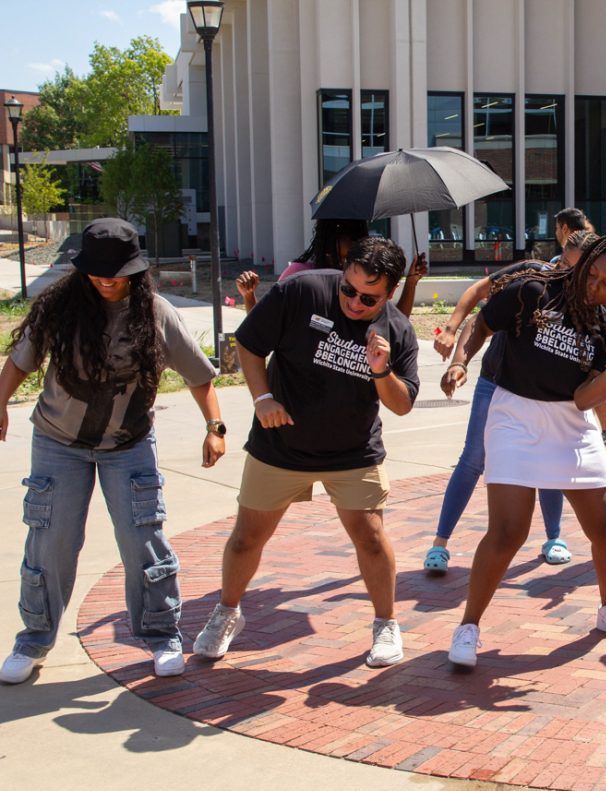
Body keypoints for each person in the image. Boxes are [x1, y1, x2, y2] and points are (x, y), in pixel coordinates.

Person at [0, 218, 226, 684]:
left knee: (142, 538)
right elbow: (20, 360)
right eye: (98, 271)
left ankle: (162, 636)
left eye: (117, 272)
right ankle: (33, 640)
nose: (106, 279)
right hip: (59, 443)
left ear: (136, 270)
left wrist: (215, 426)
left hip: (128, 443)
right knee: (51, 541)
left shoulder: (155, 312)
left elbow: (198, 374)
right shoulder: (59, 307)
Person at [193, 237, 420, 668]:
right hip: (281, 446)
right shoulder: (302, 291)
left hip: (354, 452)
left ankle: (386, 624)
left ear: (389, 293)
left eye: (367, 297)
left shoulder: (398, 330)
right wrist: (262, 400)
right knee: (246, 539)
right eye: (348, 290)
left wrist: (381, 370)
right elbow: (250, 343)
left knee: (371, 539)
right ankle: (226, 612)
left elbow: (402, 404)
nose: (353, 302)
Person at [446, 234, 606, 667]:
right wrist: (461, 360)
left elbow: (587, 399)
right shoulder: (534, 291)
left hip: (572, 424)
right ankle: (468, 626)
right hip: (516, 416)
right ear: (582, 263)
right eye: (593, 275)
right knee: (508, 532)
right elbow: (482, 324)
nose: (595, 287)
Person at [423, 232, 600, 576]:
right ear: (561, 256)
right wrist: (455, 347)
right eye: (570, 266)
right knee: (474, 458)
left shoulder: (592, 296)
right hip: (498, 381)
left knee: (550, 460)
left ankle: (553, 538)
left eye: (585, 270)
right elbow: (479, 306)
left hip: (550, 392)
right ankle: (440, 544)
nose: (575, 276)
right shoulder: (530, 277)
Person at [235, 218, 427, 317]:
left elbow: (395, 323)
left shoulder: (363, 286)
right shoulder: (299, 276)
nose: (342, 266)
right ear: (324, 250)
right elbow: (264, 324)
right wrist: (249, 297)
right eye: (337, 257)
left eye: (349, 260)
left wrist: (411, 282)